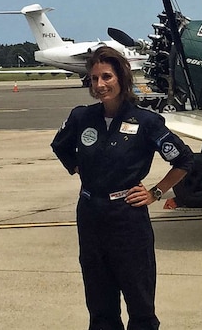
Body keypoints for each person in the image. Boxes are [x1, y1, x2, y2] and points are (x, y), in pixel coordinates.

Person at [51, 46, 194, 330]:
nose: (100, 85)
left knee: (140, 307)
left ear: (121, 77)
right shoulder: (82, 118)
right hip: (91, 216)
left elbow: (184, 160)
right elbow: (60, 146)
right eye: (94, 79)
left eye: (106, 77)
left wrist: (155, 192)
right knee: (100, 308)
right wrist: (81, 168)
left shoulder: (146, 122)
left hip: (127, 219)